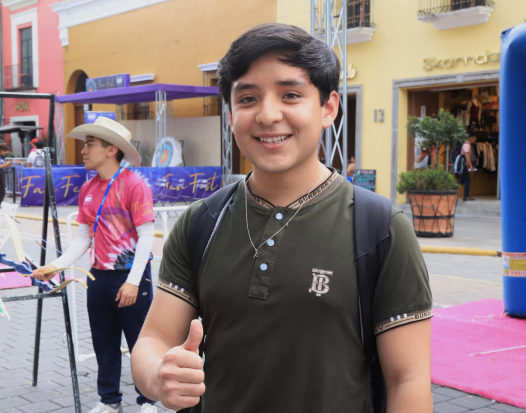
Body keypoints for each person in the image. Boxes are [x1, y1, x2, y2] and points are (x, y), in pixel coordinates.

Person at [131, 23, 432, 413]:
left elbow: (407, 380)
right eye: (248, 98)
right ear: (231, 113)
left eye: (291, 95)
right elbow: (152, 339)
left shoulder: (380, 228)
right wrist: (158, 375)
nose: (268, 115)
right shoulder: (201, 222)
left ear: (328, 108)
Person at [32, 117, 158, 413]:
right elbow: (82, 239)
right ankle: (109, 400)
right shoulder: (88, 188)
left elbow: (147, 236)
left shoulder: (134, 185)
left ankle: (148, 400)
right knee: (104, 342)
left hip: (131, 277)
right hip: (96, 277)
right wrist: (55, 266)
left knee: (140, 343)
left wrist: (133, 281)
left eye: (90, 144)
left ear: (111, 149)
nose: (84, 150)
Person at [459, 131, 478, 201]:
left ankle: (450, 190)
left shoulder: (467, 145)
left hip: (464, 165)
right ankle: (466, 196)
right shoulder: (467, 145)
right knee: (467, 180)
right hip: (464, 165)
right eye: (475, 138)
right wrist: (470, 165)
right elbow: (467, 155)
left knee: (463, 180)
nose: (475, 139)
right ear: (471, 138)